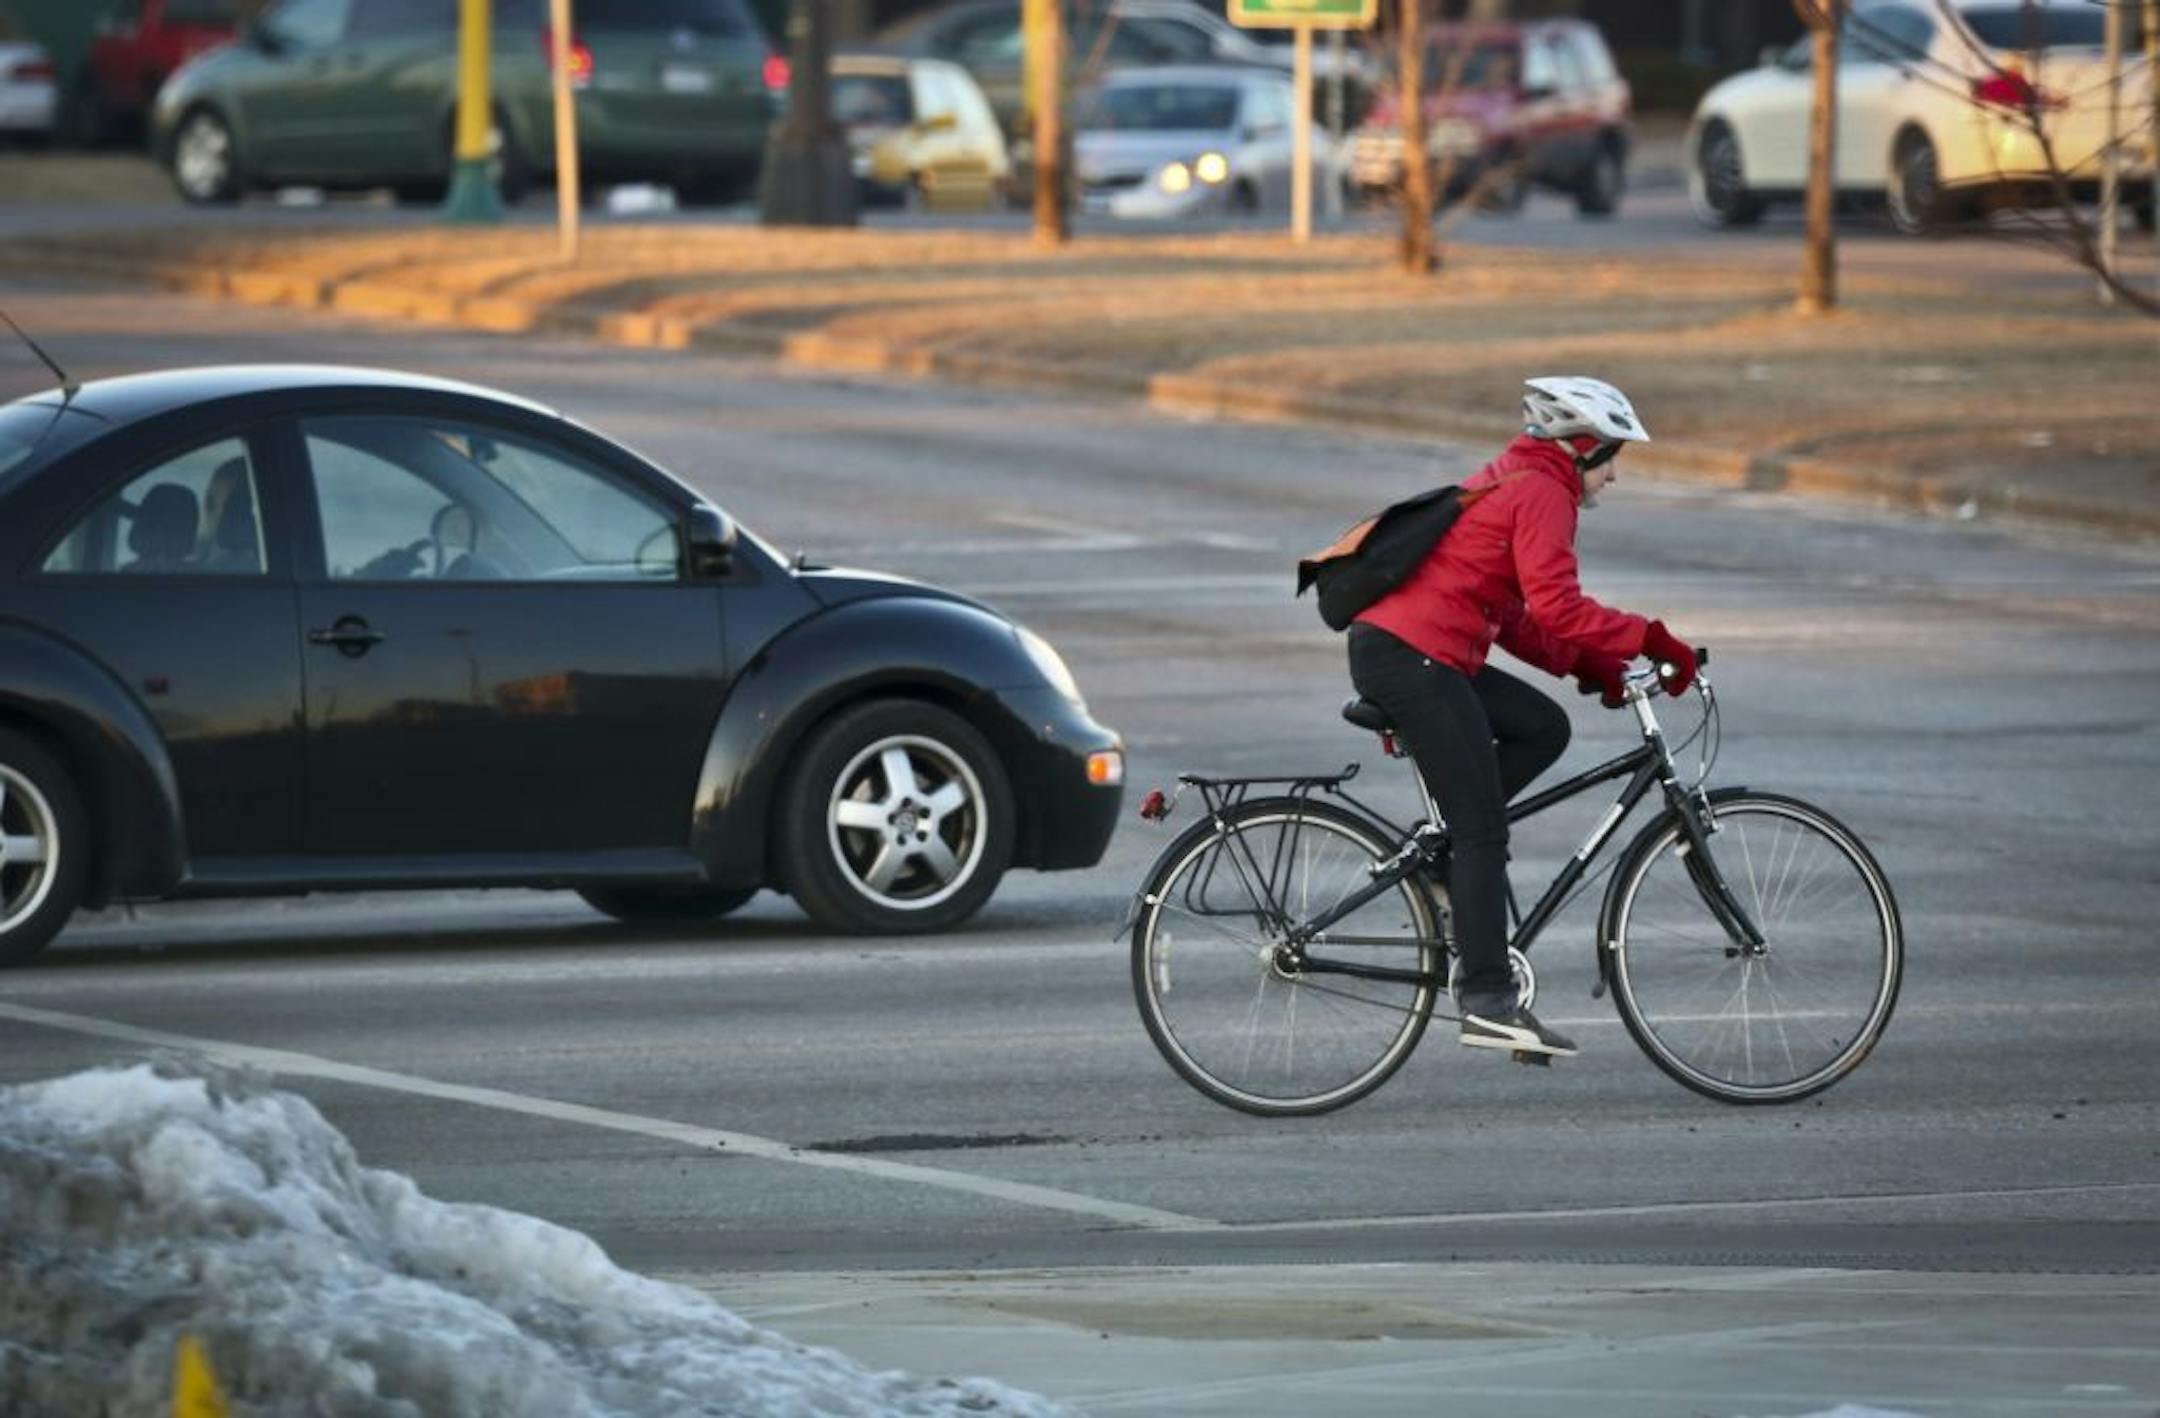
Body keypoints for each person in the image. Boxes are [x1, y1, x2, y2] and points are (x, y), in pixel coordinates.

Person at [1347, 375, 1700, 1059]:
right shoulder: (1542, 491)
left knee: (1544, 728)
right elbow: (1560, 606)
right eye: (1613, 458)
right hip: (1413, 657)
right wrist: (1651, 639)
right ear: (1584, 447)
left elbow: (1514, 616)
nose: (1616, 476)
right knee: (1483, 831)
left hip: (1418, 651)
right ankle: (1487, 999)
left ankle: (1445, 855)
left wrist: (1586, 667)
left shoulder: (1519, 478)